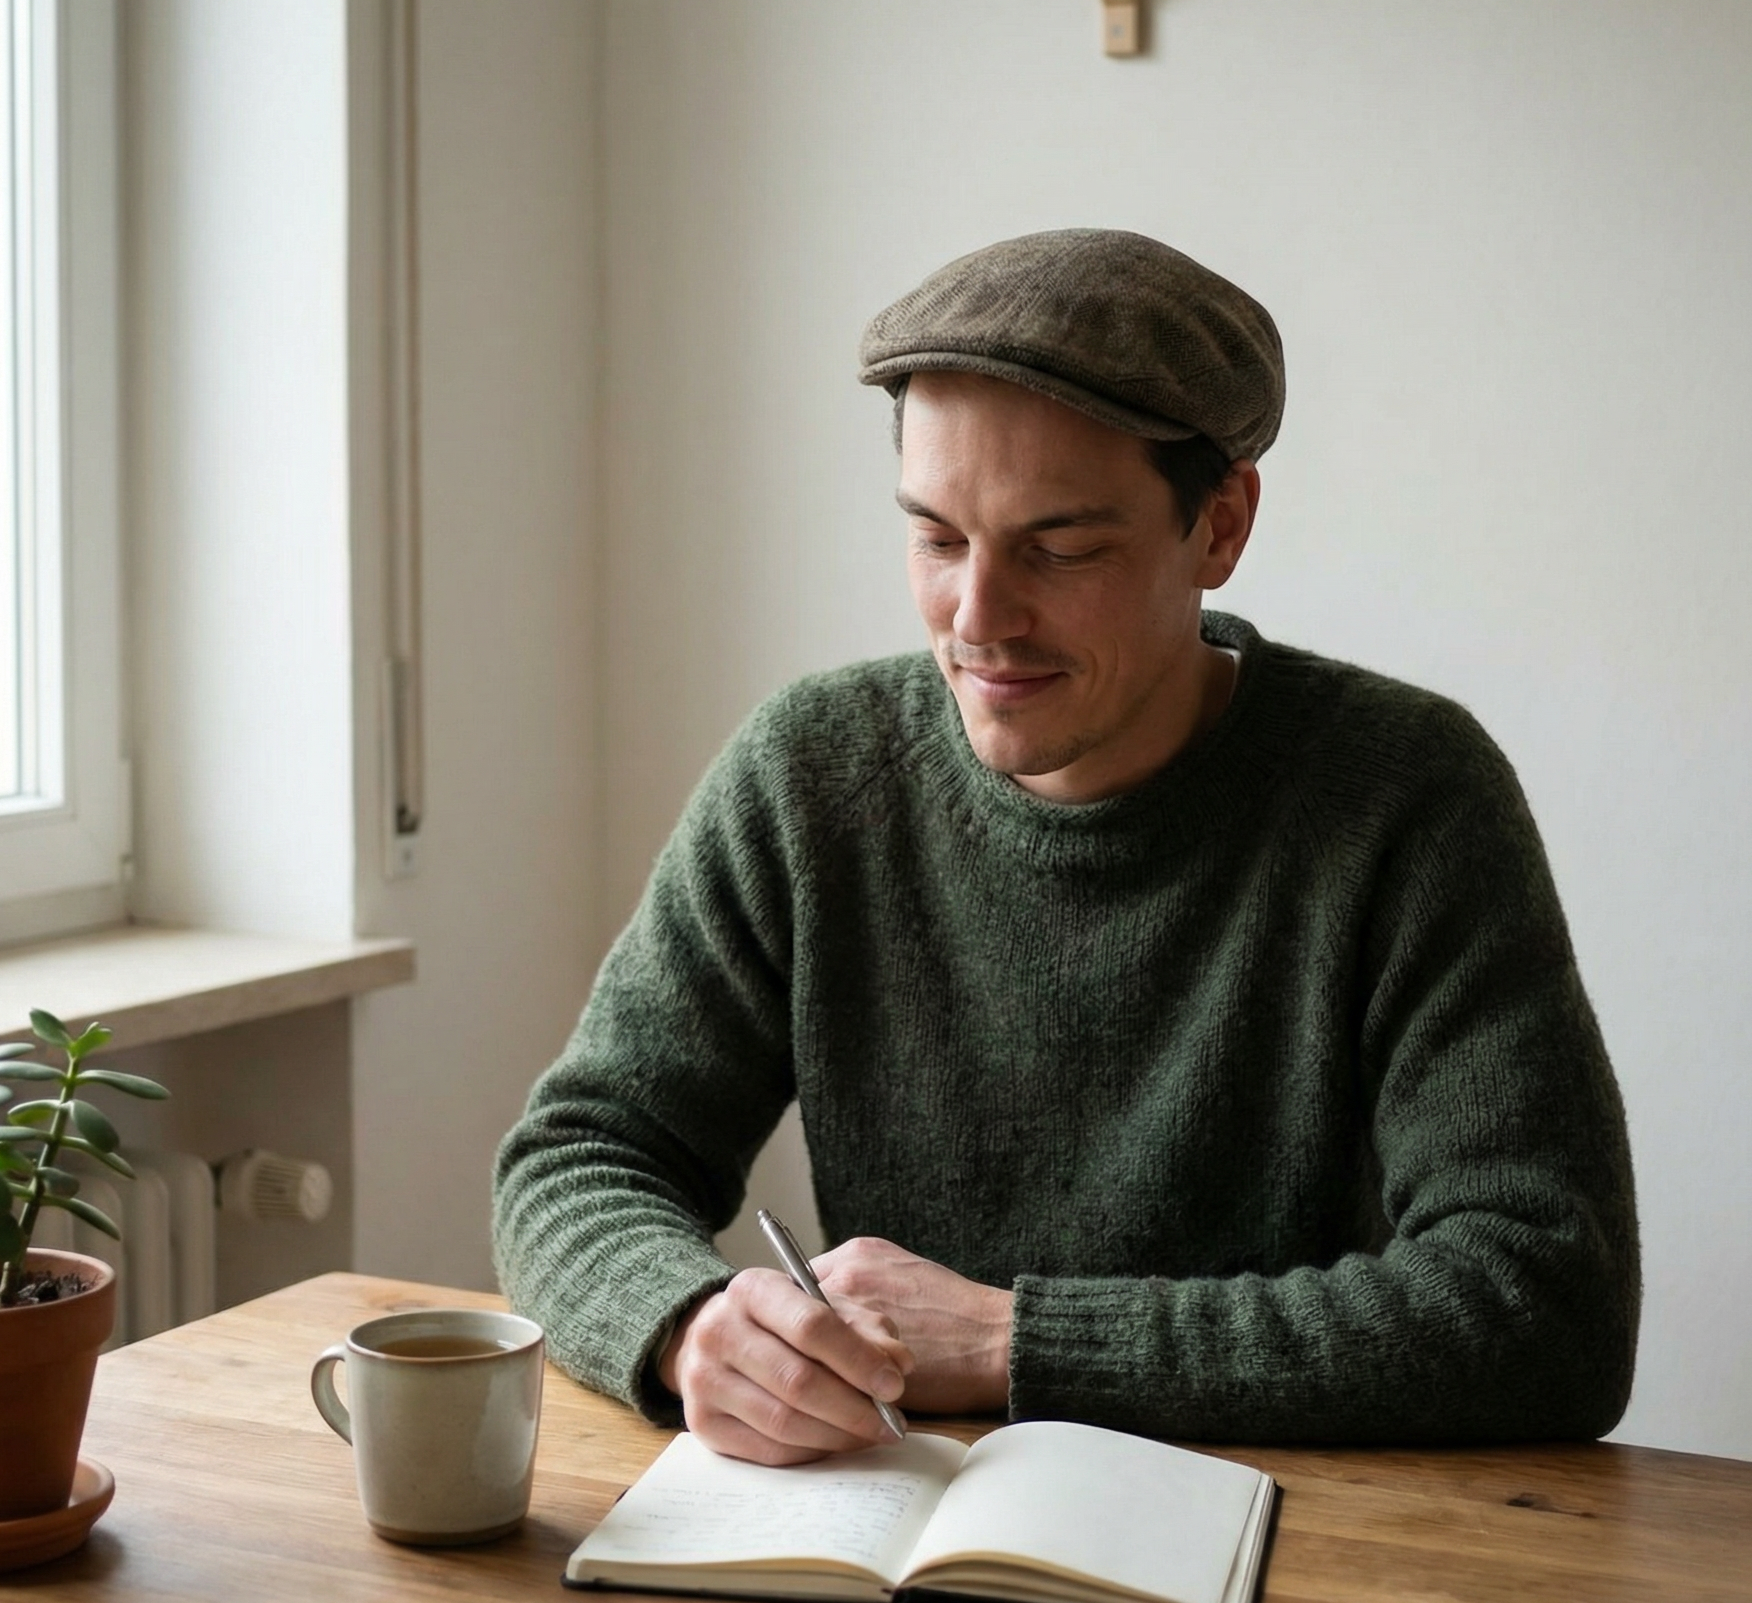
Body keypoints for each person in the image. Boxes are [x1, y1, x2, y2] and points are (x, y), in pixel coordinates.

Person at [494, 229, 1639, 1466]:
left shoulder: (1405, 797)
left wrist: (1008, 1341)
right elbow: (581, 1155)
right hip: (901, 1530)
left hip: (1295, 1542)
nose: (977, 620)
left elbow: (1544, 1301)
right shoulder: (811, 773)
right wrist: (690, 1325)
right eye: (937, 538)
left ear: (1219, 526)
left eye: (1061, 548)